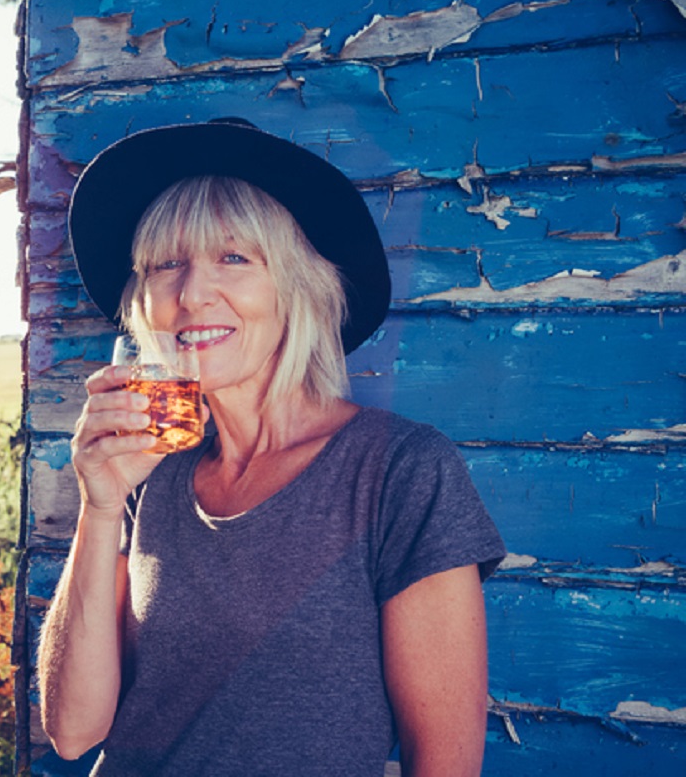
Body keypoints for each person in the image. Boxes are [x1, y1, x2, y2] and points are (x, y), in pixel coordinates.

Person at [36, 118, 507, 777]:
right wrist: (100, 505)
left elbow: (446, 764)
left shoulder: (400, 472)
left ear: (296, 288)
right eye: (168, 264)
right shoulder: (151, 477)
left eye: (233, 258)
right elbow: (72, 731)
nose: (192, 293)